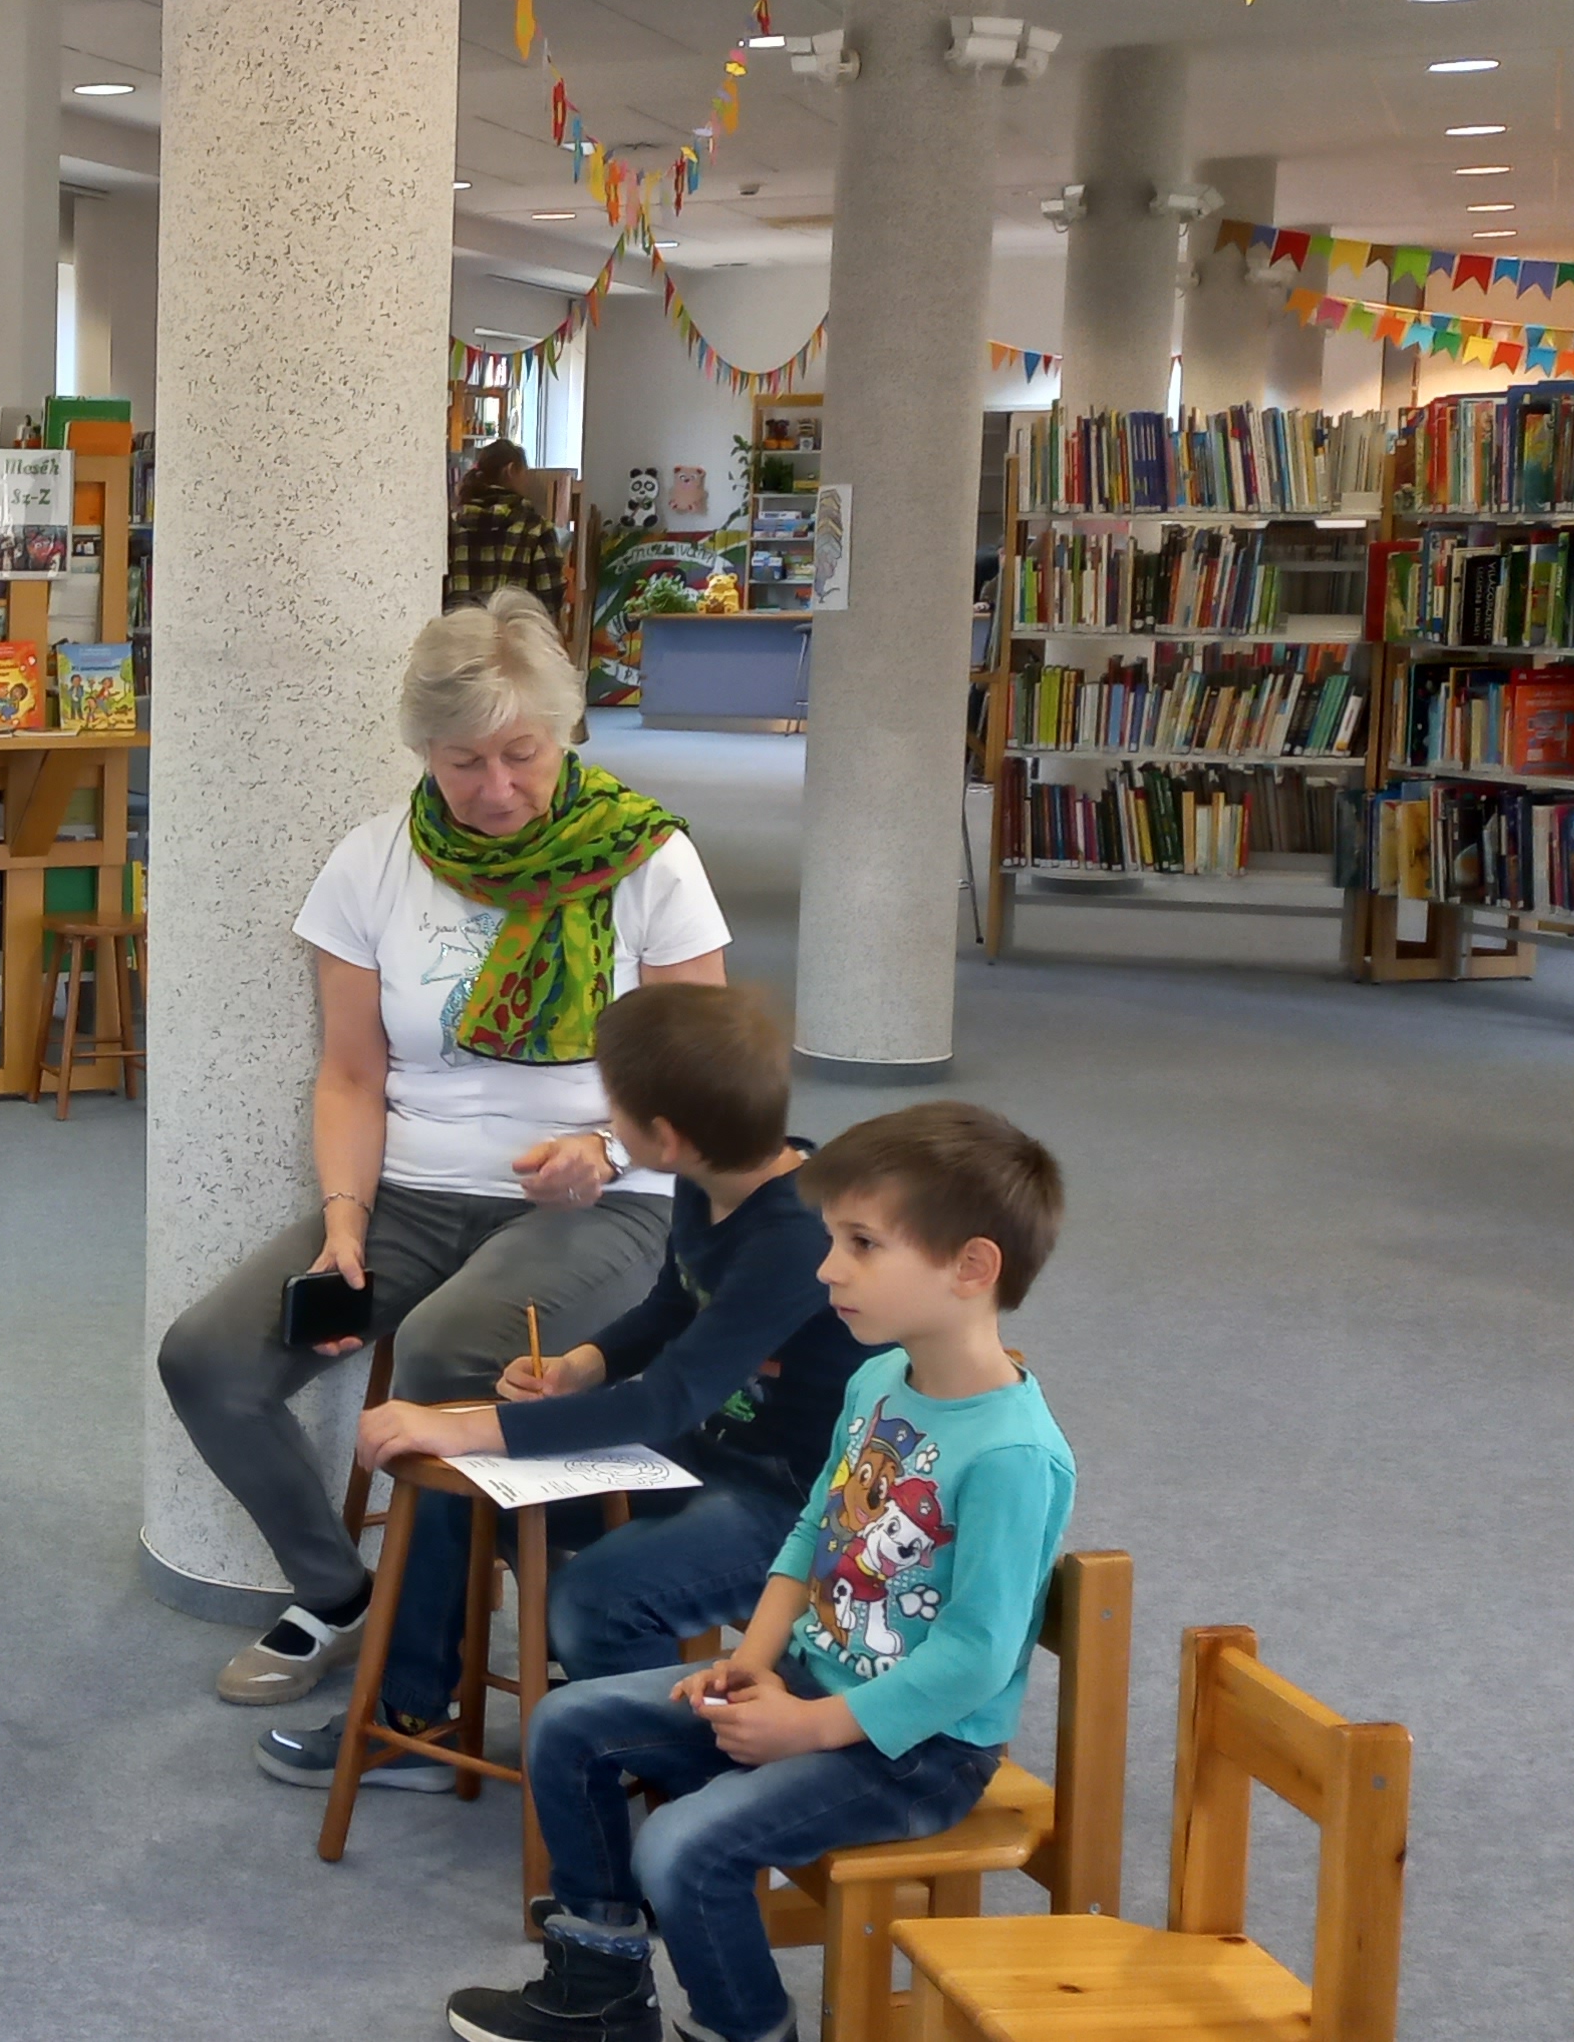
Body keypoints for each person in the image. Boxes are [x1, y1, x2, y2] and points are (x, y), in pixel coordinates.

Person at [157, 589, 729, 1707]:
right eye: (465, 762)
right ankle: (341, 1596)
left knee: (444, 1352)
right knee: (209, 1359)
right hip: (414, 1192)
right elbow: (351, 1076)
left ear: (565, 734)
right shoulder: (372, 863)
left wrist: (608, 1148)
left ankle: (428, 1677)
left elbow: (706, 1080)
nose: (496, 788)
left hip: (610, 1202)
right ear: (424, 749)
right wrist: (343, 1219)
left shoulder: (649, 861)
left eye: (522, 755)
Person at [449, 1102, 1076, 2042]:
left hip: (918, 1752)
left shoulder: (1014, 1456)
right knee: (568, 1725)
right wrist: (754, 1662)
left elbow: (975, 1659)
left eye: (862, 1244)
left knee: (682, 1846)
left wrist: (809, 1727)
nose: (827, 1269)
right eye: (833, 1239)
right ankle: (601, 1990)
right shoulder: (876, 1381)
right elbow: (813, 1533)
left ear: (971, 1267)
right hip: (808, 1682)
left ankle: (745, 2030)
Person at [255, 980, 874, 1791]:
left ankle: (682, 1779)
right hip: (705, 1456)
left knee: (595, 1600)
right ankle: (411, 1724)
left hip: (801, 1506)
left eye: (613, 1107)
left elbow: (668, 1398)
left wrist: (468, 1425)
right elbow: (670, 1307)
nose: (603, 1119)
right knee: (461, 1490)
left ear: (665, 1137)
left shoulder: (795, 1237)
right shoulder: (710, 1179)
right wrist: (581, 1364)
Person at [445, 442, 569, 613]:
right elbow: (550, 602)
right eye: (524, 472)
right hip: (516, 628)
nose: (527, 480)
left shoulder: (453, 526)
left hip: (462, 628)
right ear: (511, 470)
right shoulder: (536, 529)